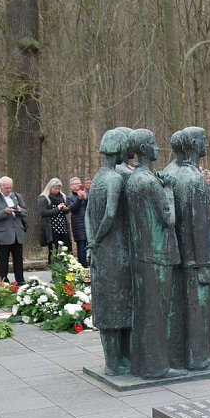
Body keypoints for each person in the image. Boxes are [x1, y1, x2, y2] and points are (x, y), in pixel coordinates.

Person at [162, 126, 210, 373]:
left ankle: (178, 357)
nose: (206, 143)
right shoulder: (194, 178)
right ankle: (199, 359)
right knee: (197, 311)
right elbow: (202, 225)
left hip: (176, 255)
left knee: (177, 311)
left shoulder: (169, 172)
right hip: (196, 258)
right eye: (202, 139)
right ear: (191, 145)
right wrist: (207, 261)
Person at [125, 129, 180, 380]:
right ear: (145, 149)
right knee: (157, 312)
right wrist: (168, 189)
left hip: (141, 253)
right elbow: (168, 219)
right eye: (154, 144)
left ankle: (141, 363)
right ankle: (157, 367)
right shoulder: (150, 181)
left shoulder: (134, 179)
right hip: (157, 254)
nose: (158, 147)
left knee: (145, 310)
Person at [85, 128, 131, 375]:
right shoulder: (114, 179)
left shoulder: (98, 177)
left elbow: (88, 216)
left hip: (101, 250)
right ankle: (115, 362)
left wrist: (91, 242)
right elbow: (110, 215)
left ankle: (113, 360)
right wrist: (99, 239)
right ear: (119, 150)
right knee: (116, 304)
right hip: (115, 249)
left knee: (107, 303)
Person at [0, 176, 28, 285]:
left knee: (18, 259)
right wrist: (4, 212)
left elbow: (25, 211)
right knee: (3, 260)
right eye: (6, 188)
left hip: (17, 233)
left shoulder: (17, 196)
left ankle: (20, 280)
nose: (9, 190)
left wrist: (19, 210)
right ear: (0, 186)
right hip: (3, 235)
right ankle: (3, 281)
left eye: (10, 187)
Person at [38, 178, 72, 263]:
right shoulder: (43, 198)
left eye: (59, 188)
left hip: (63, 227)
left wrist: (65, 209)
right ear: (50, 187)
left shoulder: (62, 196)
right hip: (51, 229)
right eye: (55, 188)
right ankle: (54, 270)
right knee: (54, 251)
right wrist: (57, 209)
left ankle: (66, 271)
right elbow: (43, 212)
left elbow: (66, 211)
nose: (57, 190)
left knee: (66, 249)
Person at [67, 176, 89, 267]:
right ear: (71, 186)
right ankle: (83, 267)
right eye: (75, 184)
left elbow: (92, 207)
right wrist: (79, 199)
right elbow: (73, 209)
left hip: (88, 224)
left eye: (79, 183)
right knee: (81, 247)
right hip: (78, 225)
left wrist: (86, 198)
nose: (77, 185)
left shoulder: (87, 194)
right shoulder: (70, 198)